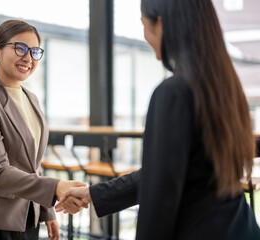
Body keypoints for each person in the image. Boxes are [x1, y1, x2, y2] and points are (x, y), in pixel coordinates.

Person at [56, 0, 260, 239]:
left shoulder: (173, 92)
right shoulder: (225, 88)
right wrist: (94, 194)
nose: (144, 35)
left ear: (161, 24)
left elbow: (159, 198)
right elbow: (172, 171)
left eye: (143, 24)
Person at [0, 20, 85, 240]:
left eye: (34, 51)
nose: (28, 58)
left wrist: (48, 210)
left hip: (27, 216)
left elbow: (32, 164)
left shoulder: (31, 98)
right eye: (20, 48)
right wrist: (56, 188)